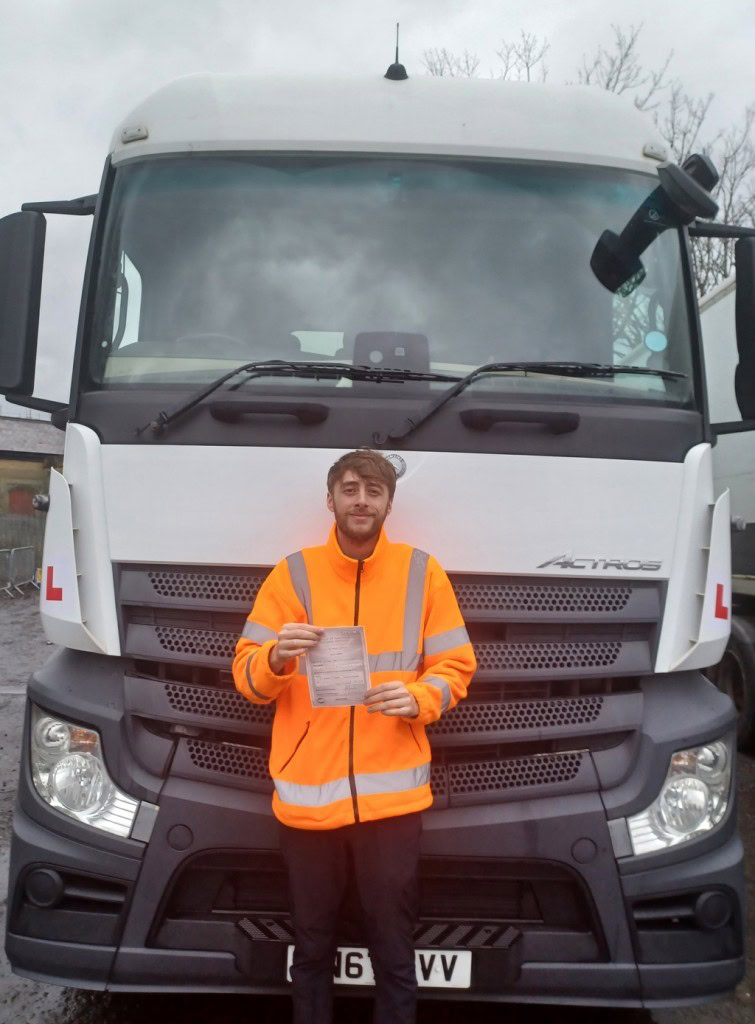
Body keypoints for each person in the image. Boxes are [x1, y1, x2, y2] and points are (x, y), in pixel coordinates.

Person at [232, 449, 476, 1024]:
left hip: (391, 805)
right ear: (331, 500)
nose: (361, 499)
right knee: (311, 949)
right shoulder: (292, 573)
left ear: (390, 501)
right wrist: (276, 657)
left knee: (395, 953)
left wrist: (419, 697)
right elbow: (246, 675)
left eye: (372, 489)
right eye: (349, 488)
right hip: (307, 802)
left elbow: (456, 666)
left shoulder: (424, 572)